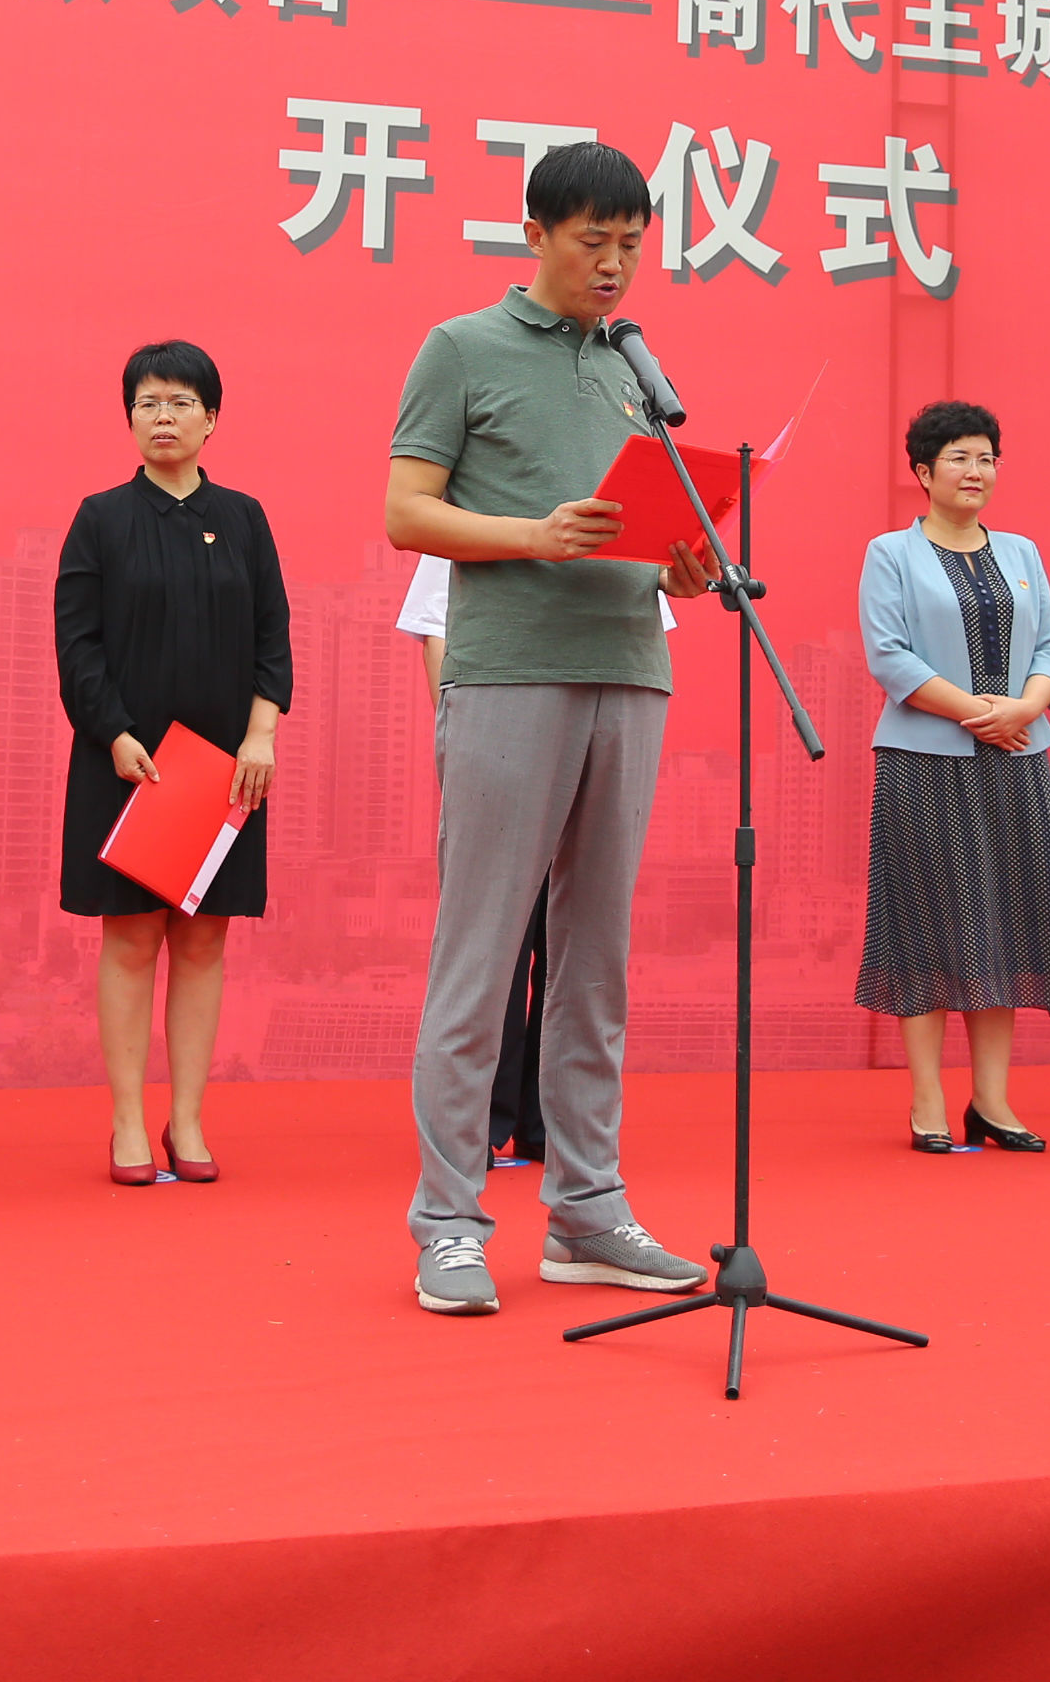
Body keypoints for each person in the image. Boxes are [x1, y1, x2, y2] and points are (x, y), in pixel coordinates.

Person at [387, 140, 717, 1318]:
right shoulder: (461, 348)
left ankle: (586, 1210)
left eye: (631, 244)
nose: (614, 264)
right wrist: (532, 535)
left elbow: (650, 532)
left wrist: (684, 568)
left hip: (630, 671)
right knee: (480, 955)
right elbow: (406, 511)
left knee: (597, 961)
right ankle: (447, 1222)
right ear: (535, 233)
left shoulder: (634, 365)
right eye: (593, 241)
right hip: (509, 674)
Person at [55, 340, 292, 1184]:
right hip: (126, 764)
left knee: (202, 940)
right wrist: (116, 734)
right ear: (129, 418)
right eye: (148, 402)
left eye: (181, 402)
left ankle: (186, 1119)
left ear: (211, 418)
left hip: (225, 771)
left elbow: (273, 638)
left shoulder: (246, 519)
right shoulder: (100, 519)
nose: (164, 417)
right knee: (130, 938)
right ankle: (127, 1120)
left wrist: (260, 737)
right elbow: (78, 648)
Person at [857, 400, 1050, 1150]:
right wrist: (978, 713)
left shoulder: (1022, 553)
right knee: (927, 927)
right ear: (923, 473)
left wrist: (1026, 707)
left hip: (1016, 759)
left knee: (1005, 923)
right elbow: (889, 655)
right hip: (924, 762)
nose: (976, 470)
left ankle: (992, 1101)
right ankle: (926, 1097)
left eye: (987, 457)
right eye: (959, 457)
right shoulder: (891, 553)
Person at [401, 560, 676, 1167]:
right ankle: (474, 1126)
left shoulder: (618, 531)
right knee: (493, 951)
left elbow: (646, 617)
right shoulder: (478, 515)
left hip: (594, 736)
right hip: (507, 742)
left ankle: (550, 1126)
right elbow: (437, 630)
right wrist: (466, 743)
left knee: (574, 954)